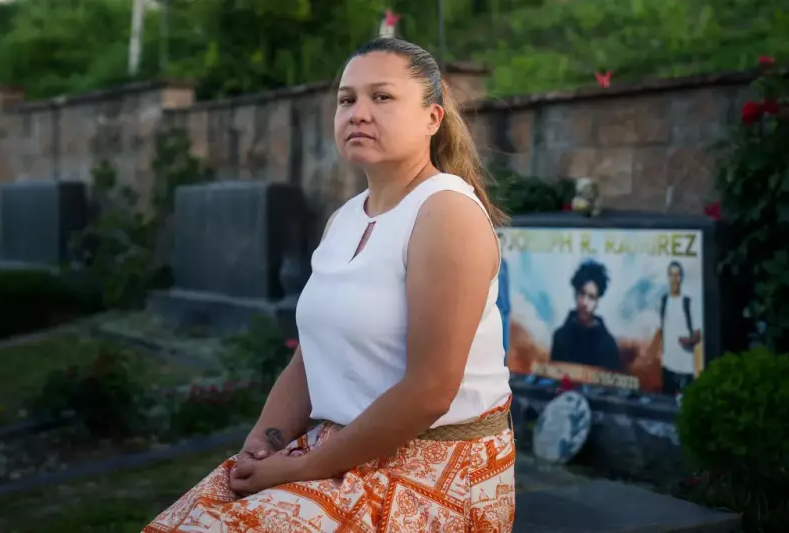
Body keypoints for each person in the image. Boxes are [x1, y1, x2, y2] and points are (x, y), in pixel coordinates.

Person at [143, 37, 515, 533]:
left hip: (435, 467)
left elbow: (430, 391)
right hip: (341, 450)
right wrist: (263, 443)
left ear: (432, 118)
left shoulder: (445, 213)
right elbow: (309, 357)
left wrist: (297, 468)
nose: (358, 112)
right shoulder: (344, 219)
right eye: (346, 99)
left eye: (381, 97)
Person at [550, 260, 622, 371]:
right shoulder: (560, 338)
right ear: (575, 294)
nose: (584, 302)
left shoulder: (608, 344)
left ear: (598, 301)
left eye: (591, 297)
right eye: (582, 293)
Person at [659, 260, 702, 395]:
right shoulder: (663, 301)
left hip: (686, 368)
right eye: (672, 275)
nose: (675, 279)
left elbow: (697, 335)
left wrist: (688, 341)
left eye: (677, 275)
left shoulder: (689, 303)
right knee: (666, 407)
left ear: (682, 278)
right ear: (668, 277)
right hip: (667, 367)